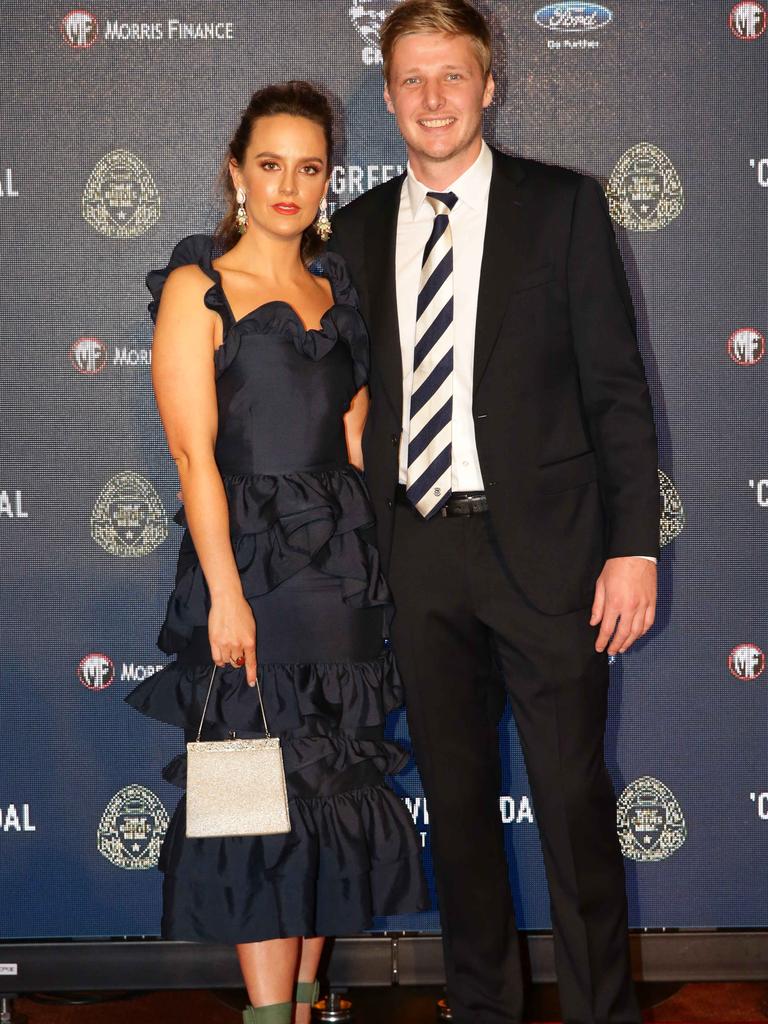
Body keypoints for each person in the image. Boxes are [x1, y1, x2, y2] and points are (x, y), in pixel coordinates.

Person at [329, 2, 660, 1022]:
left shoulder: (562, 209)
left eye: (453, 76)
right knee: (461, 819)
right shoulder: (358, 227)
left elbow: (616, 393)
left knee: (570, 807)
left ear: (489, 83)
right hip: (418, 558)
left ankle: (606, 1011)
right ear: (388, 95)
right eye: (413, 80)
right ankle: (483, 1010)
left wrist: (633, 547)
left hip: (553, 560)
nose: (434, 99)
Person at [125, 81, 428, 1024]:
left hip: (339, 580)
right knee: (251, 799)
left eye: (309, 167)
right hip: (247, 572)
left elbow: (357, 441)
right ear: (236, 173)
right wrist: (223, 589)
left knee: (326, 791)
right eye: (270, 165)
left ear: (328, 179)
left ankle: (300, 1007)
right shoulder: (196, 287)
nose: (289, 185)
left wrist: (379, 575)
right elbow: (191, 453)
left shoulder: (338, 288)